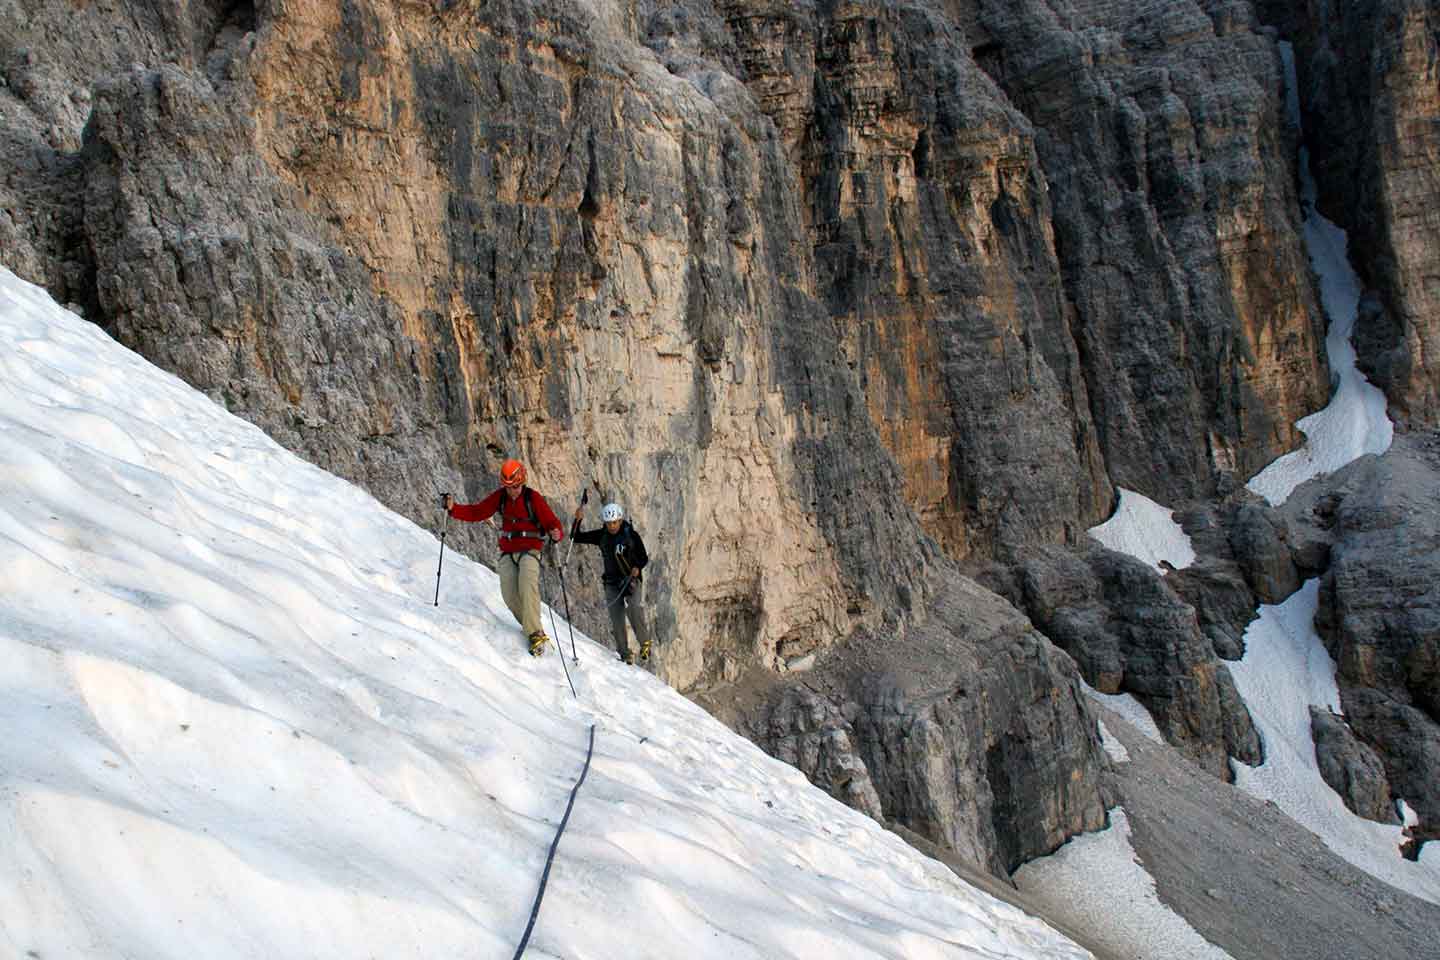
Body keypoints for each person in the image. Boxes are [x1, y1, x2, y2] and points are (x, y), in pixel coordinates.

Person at [443, 459, 564, 657]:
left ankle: (536, 634)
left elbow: (552, 522)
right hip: (508, 551)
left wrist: (556, 531)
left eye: (515, 486)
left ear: (522, 481)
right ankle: (530, 626)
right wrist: (453, 509)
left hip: (531, 550)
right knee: (509, 595)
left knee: (527, 586)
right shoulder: (500, 498)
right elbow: (477, 512)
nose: (512, 491)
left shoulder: (533, 498)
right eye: (508, 487)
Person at [572, 501, 651, 664]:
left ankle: (645, 642)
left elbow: (643, 557)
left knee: (634, 608)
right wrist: (577, 520)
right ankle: (625, 653)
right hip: (612, 583)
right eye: (609, 523)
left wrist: (637, 567)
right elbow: (576, 537)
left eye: (615, 522)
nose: (612, 526)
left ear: (620, 520)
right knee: (616, 618)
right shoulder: (602, 536)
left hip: (631, 580)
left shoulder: (631, 535)